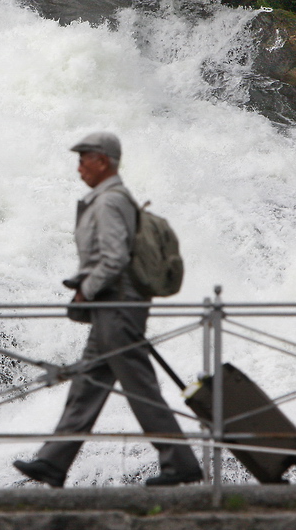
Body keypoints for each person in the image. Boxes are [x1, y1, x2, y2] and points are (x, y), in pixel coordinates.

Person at [13, 132, 203, 488]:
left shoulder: (109, 202)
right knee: (88, 384)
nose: (80, 166)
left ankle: (181, 462)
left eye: (84, 158)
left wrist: (86, 288)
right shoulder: (111, 199)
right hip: (114, 306)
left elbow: (114, 258)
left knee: (139, 386)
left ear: (103, 161)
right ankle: (53, 463)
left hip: (118, 305)